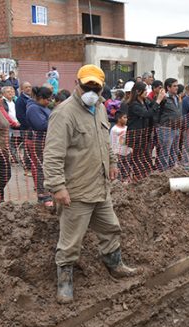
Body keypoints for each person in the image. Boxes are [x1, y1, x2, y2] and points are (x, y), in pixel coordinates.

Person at [44, 64, 138, 303]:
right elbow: (53, 155)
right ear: (77, 83)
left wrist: (114, 162)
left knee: (110, 227)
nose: (92, 91)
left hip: (100, 185)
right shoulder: (63, 114)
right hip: (76, 190)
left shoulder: (99, 109)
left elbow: (105, 142)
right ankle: (64, 281)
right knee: (70, 241)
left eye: (96, 87)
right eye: (87, 86)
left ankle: (114, 264)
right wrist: (57, 187)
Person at [127, 81, 163, 178]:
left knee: (146, 156)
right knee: (137, 158)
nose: (147, 92)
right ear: (138, 91)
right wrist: (158, 101)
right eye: (145, 90)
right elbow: (146, 114)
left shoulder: (146, 101)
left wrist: (159, 98)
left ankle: (145, 176)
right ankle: (137, 177)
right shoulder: (134, 104)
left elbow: (153, 108)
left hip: (146, 135)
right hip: (136, 136)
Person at [25, 86, 53, 206]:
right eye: (48, 99)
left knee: (48, 167)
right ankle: (43, 194)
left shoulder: (42, 107)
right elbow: (40, 125)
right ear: (40, 98)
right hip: (40, 141)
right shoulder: (33, 109)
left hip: (48, 141)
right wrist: (56, 120)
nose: (49, 102)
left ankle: (49, 191)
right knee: (42, 167)